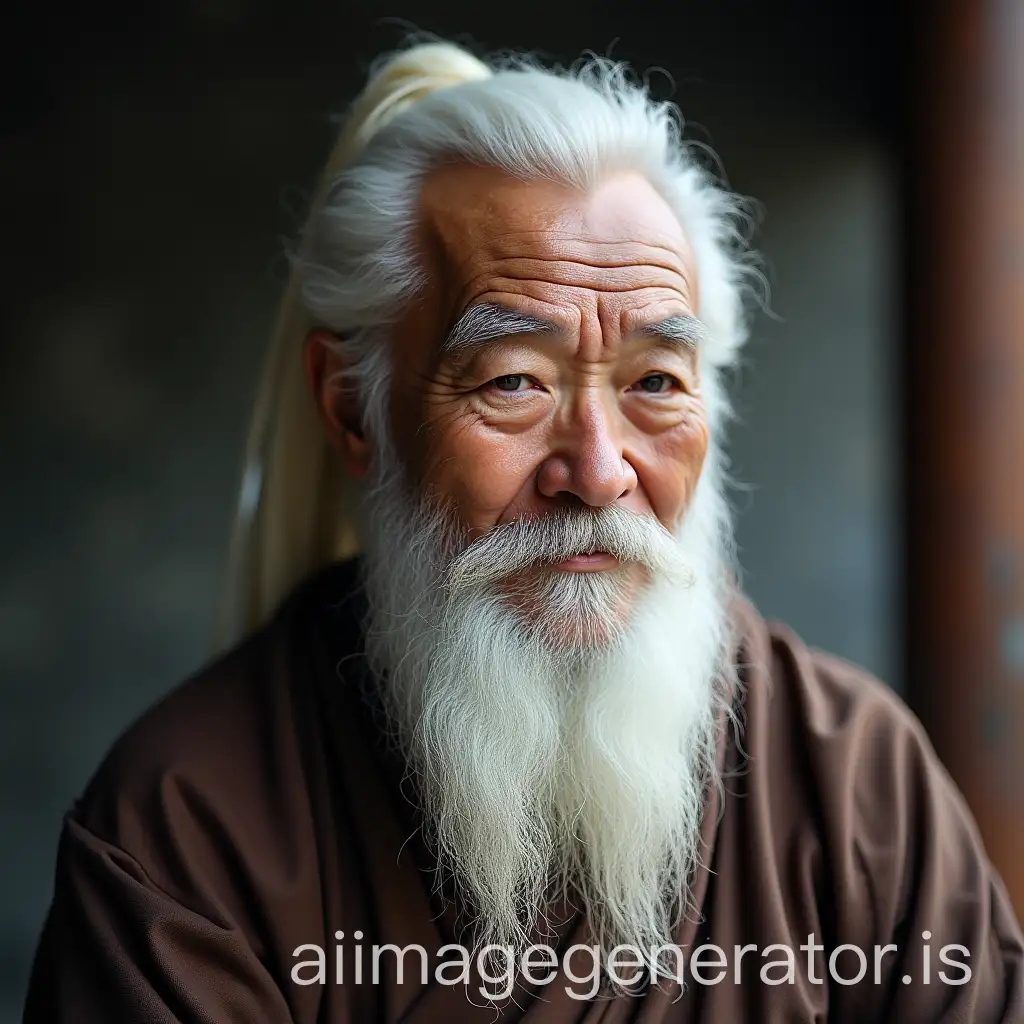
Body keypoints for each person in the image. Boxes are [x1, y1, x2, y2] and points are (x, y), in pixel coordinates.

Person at [23, 39, 1024, 1023]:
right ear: (352, 412)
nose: (596, 471)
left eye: (654, 384)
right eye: (513, 381)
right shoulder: (189, 833)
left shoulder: (855, 785)